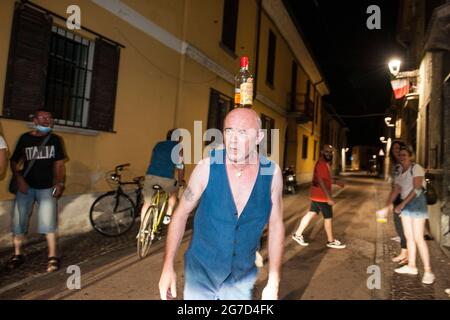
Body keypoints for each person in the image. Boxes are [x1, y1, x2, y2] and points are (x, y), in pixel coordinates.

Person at [158, 108, 284, 300]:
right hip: (201, 273)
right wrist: (167, 267)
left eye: (242, 132)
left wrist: (274, 280)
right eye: (228, 131)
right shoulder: (207, 167)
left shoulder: (271, 173)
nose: (233, 140)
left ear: (259, 137)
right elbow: (181, 214)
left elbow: (275, 225)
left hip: (242, 278)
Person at [6, 109, 66, 272]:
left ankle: (52, 257)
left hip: (47, 188)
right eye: (42, 117)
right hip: (26, 187)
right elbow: (13, 161)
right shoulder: (25, 138)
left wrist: (59, 183)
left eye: (49, 117)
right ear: (35, 121)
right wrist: (19, 179)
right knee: (19, 221)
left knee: (49, 222)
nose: (47, 120)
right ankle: (18, 254)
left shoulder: (55, 140)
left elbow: (59, 164)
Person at [377, 146, 435, 284]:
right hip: (405, 204)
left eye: (404, 154)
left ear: (410, 156)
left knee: (418, 238)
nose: (402, 157)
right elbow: (396, 190)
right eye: (400, 155)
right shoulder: (398, 170)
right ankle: (412, 266)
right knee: (409, 237)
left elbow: (417, 189)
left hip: (417, 204)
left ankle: (428, 271)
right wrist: (386, 207)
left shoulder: (416, 168)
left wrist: (402, 205)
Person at [292, 144, 346, 249]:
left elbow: (325, 179)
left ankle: (298, 234)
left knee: (311, 213)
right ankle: (330, 241)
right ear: (322, 152)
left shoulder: (324, 163)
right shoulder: (321, 163)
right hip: (322, 196)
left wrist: (336, 182)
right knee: (328, 217)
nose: (329, 154)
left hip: (316, 195)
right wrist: (328, 197)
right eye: (326, 152)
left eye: (330, 152)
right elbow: (321, 181)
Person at [141, 129, 184, 224]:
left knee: (147, 203)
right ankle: (168, 215)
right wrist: (180, 181)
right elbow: (180, 166)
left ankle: (142, 229)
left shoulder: (158, 144)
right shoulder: (178, 147)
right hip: (166, 178)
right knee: (174, 191)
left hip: (150, 176)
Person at [384, 140, 408, 265]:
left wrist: (388, 204)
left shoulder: (404, 164)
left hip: (403, 199)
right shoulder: (396, 165)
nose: (396, 151)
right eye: (394, 149)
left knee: (402, 227)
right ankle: (405, 253)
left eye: (398, 148)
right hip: (397, 198)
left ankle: (406, 255)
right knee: (400, 226)